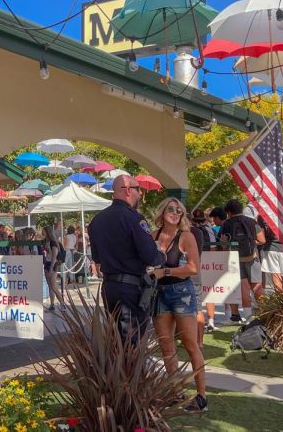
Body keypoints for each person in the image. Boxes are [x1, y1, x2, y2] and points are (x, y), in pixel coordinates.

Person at [87, 174, 164, 341]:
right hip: (130, 289)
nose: (140, 194)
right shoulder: (134, 218)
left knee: (116, 340)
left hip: (109, 287)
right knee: (132, 343)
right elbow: (150, 256)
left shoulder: (97, 220)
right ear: (128, 190)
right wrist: (161, 256)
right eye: (138, 189)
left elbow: (97, 257)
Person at [152, 198, 207, 412]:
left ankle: (201, 397)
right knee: (166, 346)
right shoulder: (153, 236)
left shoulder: (186, 236)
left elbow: (193, 268)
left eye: (179, 211)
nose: (175, 213)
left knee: (190, 345)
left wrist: (165, 271)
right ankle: (175, 393)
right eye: (171, 209)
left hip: (181, 292)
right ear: (162, 212)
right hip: (159, 293)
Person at [218, 199, 263, 323]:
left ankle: (246, 317)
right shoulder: (252, 221)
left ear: (229, 212)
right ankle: (265, 312)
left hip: (235, 260)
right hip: (253, 257)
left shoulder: (226, 224)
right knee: (257, 287)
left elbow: (223, 244)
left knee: (243, 288)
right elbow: (262, 240)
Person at [189, 207, 212, 343]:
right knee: (198, 308)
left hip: (187, 273)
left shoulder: (187, 233)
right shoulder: (200, 232)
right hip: (195, 272)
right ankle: (200, 342)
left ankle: (196, 341)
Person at [257, 214, 283, 293]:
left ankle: (282, 304)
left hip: (271, 248)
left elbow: (262, 237)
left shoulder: (262, 215)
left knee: (276, 278)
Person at [41, 225, 63, 311]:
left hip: (52, 264)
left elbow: (54, 255)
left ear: (47, 232)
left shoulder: (53, 242)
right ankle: (52, 304)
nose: (42, 233)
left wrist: (51, 268)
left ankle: (62, 303)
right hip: (47, 263)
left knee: (53, 286)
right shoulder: (45, 242)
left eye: (44, 231)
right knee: (50, 286)